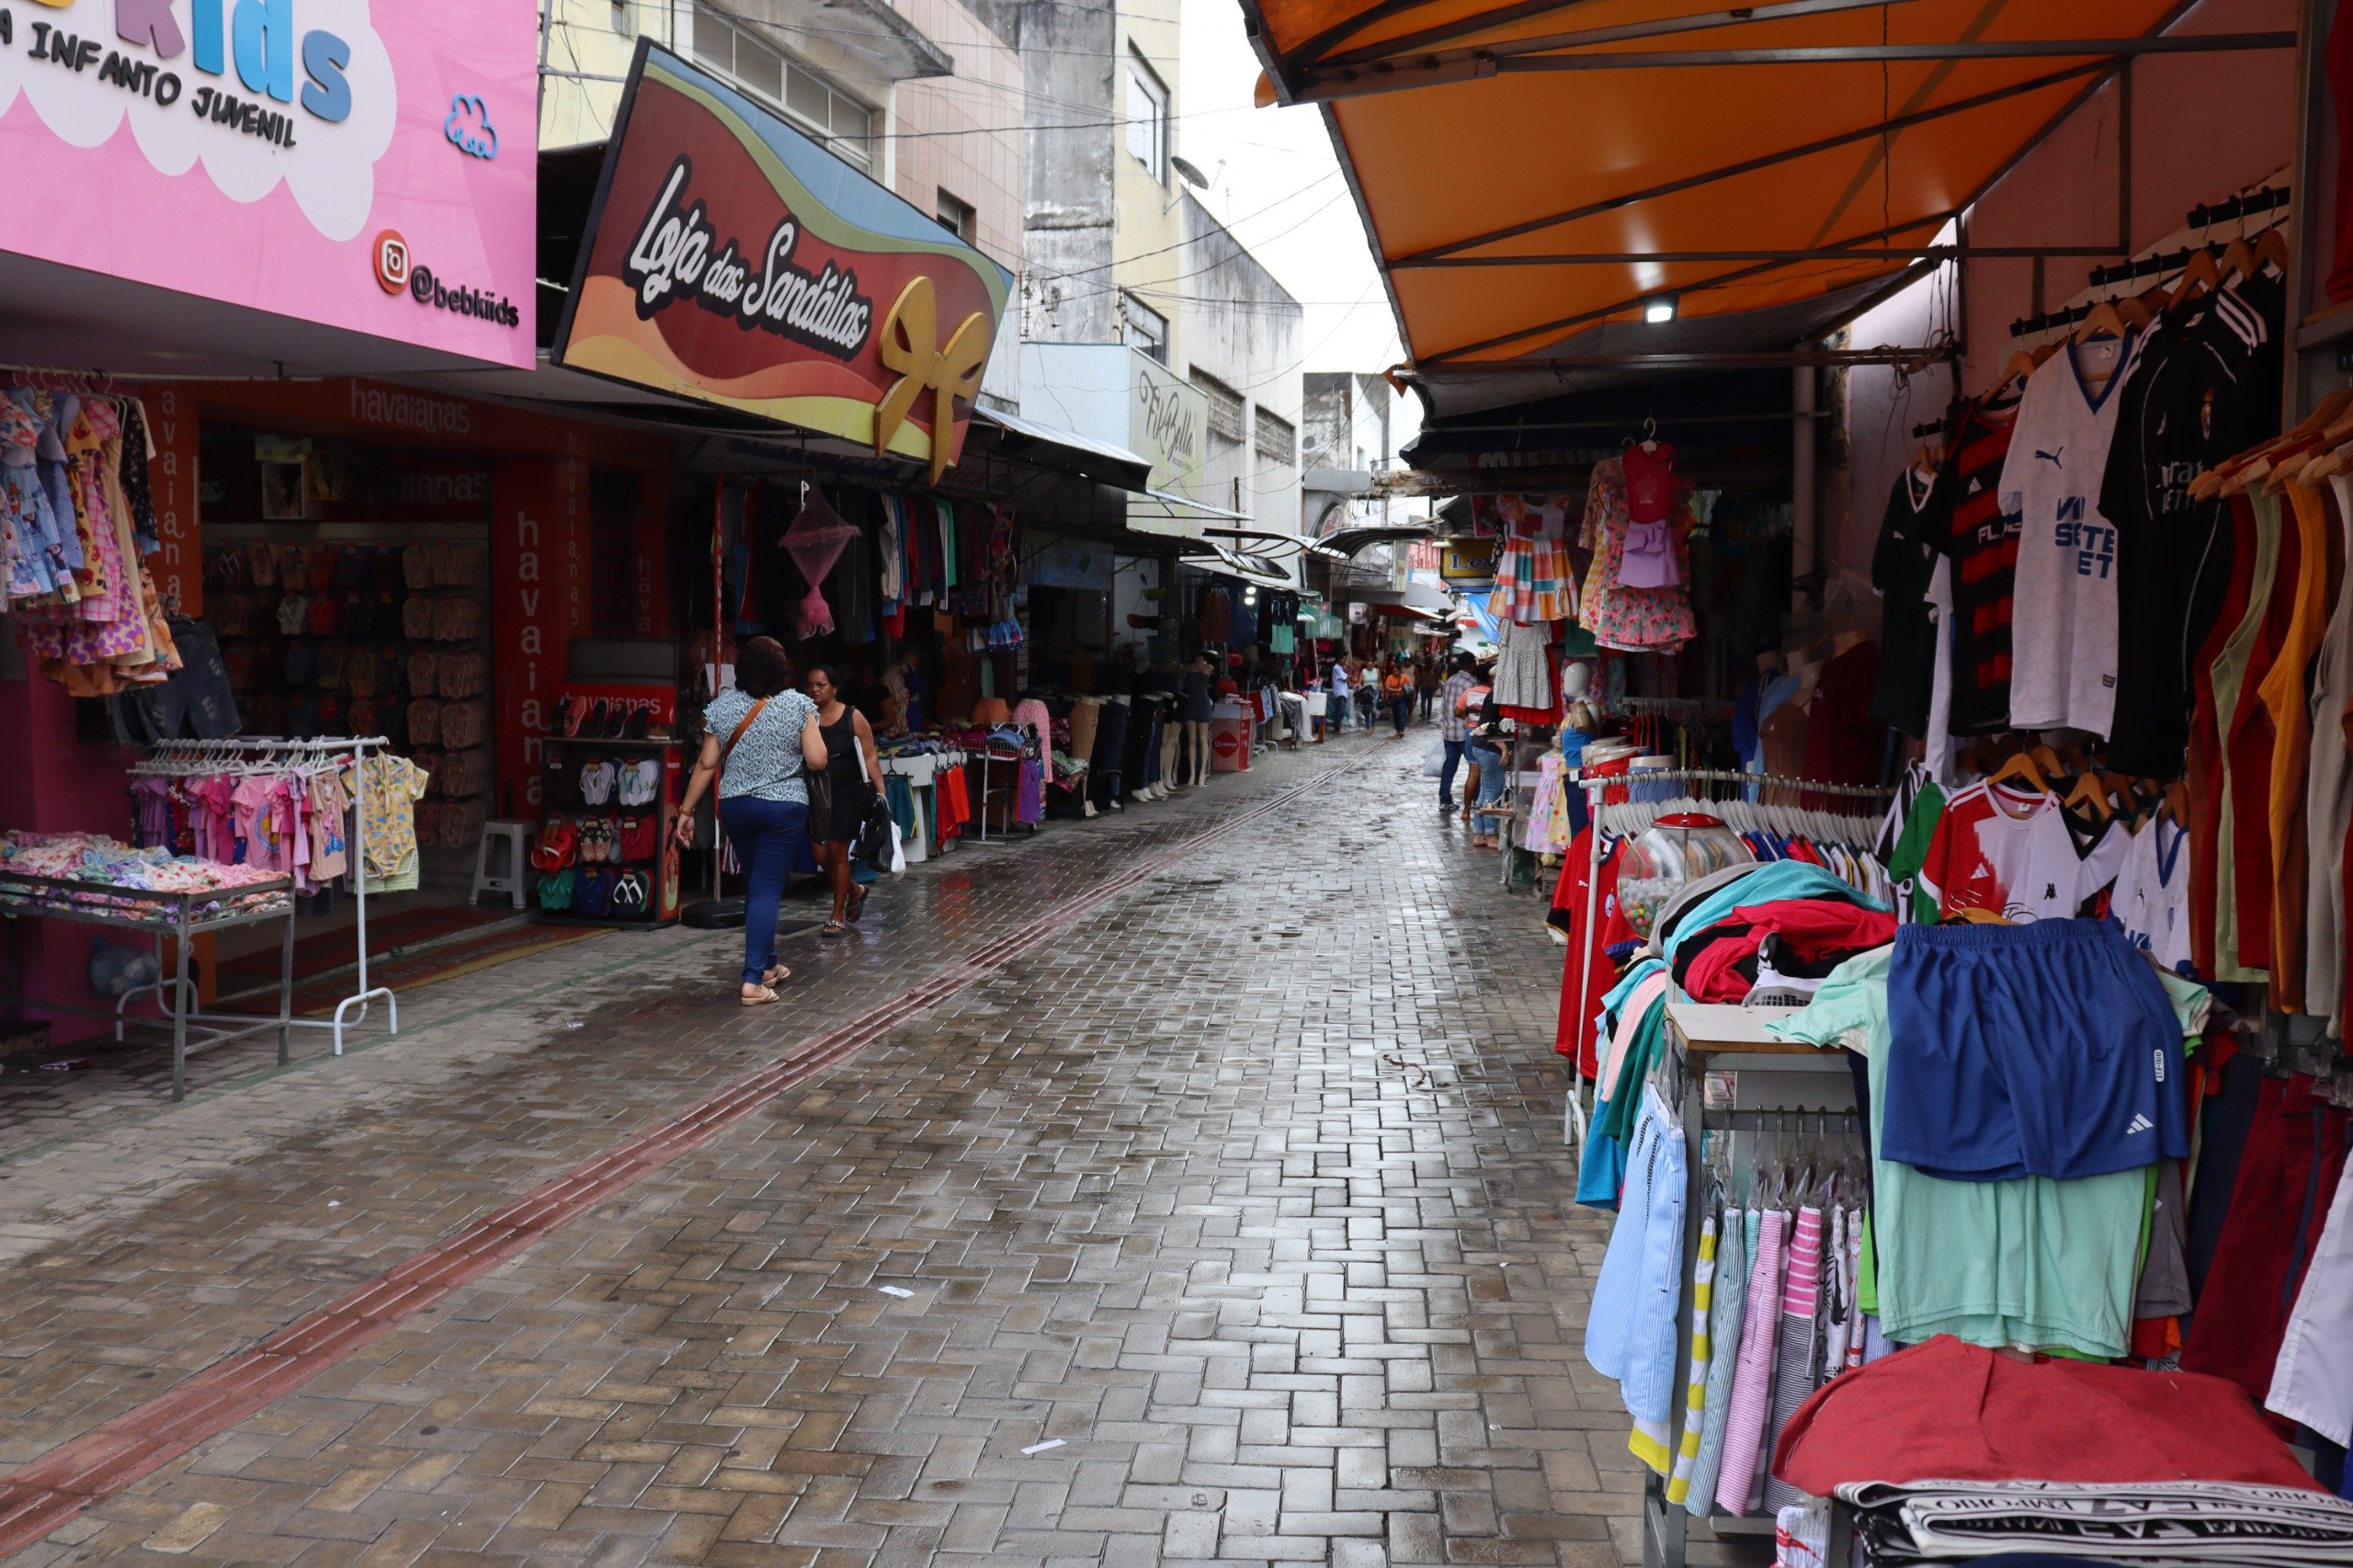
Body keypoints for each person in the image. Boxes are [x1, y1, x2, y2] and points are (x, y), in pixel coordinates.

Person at [674, 637, 827, 1006]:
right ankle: (753, 980)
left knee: (757, 883)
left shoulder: (722, 707)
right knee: (766, 890)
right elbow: (818, 760)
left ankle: (770, 966)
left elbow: (707, 765)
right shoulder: (798, 704)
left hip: (736, 808)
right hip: (782, 807)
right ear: (781, 668)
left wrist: (686, 812)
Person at [804, 665, 883, 938]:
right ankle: (856, 890)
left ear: (834, 687)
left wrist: (880, 792)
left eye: (821, 684)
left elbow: (870, 755)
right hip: (817, 793)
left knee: (838, 852)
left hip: (848, 792)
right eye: (810, 685)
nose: (815, 689)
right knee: (820, 856)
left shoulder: (853, 716)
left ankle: (836, 915)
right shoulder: (806, 718)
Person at [1438, 653, 1479, 809]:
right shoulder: (1470, 683)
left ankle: (1444, 800)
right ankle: (1475, 799)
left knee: (1449, 766)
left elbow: (1444, 707)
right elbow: (1473, 709)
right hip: (1465, 731)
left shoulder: (1449, 681)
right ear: (1472, 664)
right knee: (1474, 767)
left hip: (1449, 732)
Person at [1382, 661, 1411, 734]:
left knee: (1402, 714)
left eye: (1396, 671)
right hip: (1394, 699)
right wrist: (1397, 690)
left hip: (1402, 698)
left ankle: (1402, 730)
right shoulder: (1390, 677)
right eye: (1394, 671)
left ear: (1400, 670)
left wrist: (1405, 688)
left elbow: (1410, 686)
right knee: (1396, 715)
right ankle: (1398, 730)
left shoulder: (1404, 677)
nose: (1395, 672)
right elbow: (1387, 687)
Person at [1326, 658, 1350, 733]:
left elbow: (1347, 678)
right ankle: (1337, 729)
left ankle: (1338, 728)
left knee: (1340, 711)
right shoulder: (1336, 668)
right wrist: (1349, 670)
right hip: (1340, 691)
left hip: (1342, 691)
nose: (1344, 661)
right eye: (1342, 659)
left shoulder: (1340, 668)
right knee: (1339, 711)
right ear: (1338, 660)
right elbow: (1345, 678)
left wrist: (1347, 671)